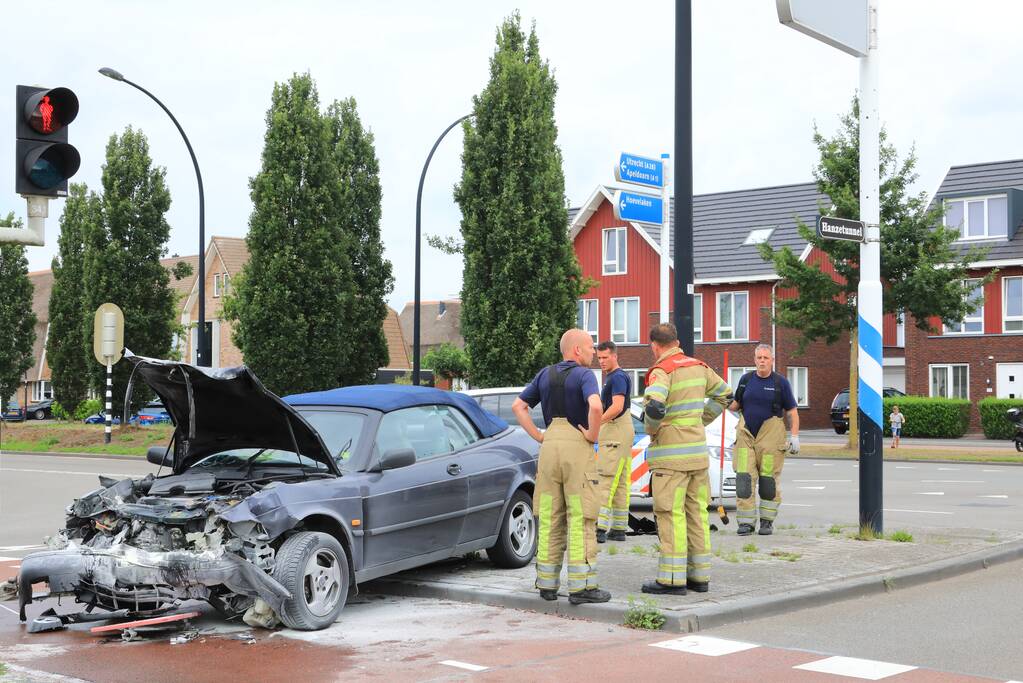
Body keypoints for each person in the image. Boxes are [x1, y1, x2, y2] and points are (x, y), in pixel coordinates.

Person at [512, 329, 610, 605]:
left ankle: (547, 584)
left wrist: (540, 435)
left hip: (550, 446)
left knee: (550, 517)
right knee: (581, 516)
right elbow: (594, 405)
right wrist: (592, 434)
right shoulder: (584, 375)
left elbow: (518, 406)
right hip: (576, 446)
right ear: (577, 350)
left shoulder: (545, 374)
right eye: (590, 347)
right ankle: (582, 588)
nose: (593, 352)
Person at [640, 323, 732, 596]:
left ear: (654, 346)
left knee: (670, 514)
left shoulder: (662, 371)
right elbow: (726, 395)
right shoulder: (699, 367)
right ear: (677, 341)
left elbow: (655, 406)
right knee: (696, 514)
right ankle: (699, 577)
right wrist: (700, 420)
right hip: (696, 455)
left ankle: (671, 579)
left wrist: (653, 430)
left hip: (671, 459)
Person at [728, 344, 799, 537]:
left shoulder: (780, 383)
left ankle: (767, 522)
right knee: (744, 480)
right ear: (754, 359)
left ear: (772, 360)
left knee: (768, 481)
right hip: (745, 436)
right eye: (759, 357)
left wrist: (794, 435)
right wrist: (723, 399)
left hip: (771, 436)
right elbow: (735, 405)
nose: (762, 361)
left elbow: (792, 411)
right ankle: (745, 523)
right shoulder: (745, 380)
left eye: (765, 358)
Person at [595, 341, 635, 544]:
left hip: (615, 429)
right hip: (622, 430)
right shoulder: (616, 376)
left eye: (605, 357)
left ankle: (599, 528)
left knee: (605, 478)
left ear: (615, 356)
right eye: (599, 358)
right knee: (620, 482)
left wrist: (596, 422)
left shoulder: (617, 377)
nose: (601, 361)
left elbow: (617, 406)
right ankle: (619, 528)